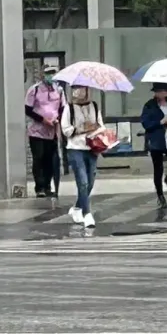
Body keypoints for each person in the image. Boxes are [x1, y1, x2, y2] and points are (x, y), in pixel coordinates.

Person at [60, 86, 104, 228]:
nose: (79, 92)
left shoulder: (94, 106)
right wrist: (80, 129)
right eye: (76, 89)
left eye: (82, 89)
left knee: (90, 182)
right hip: (75, 148)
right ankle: (87, 214)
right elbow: (65, 129)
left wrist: (95, 127)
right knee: (83, 182)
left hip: (92, 148)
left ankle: (77, 207)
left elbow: (101, 126)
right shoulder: (69, 108)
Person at [140, 83, 167, 209]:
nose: (160, 94)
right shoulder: (149, 105)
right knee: (158, 168)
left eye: (163, 91)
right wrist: (160, 122)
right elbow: (146, 123)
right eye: (157, 92)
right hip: (156, 141)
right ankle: (160, 196)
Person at [25, 66, 65, 198]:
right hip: (37, 131)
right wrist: (43, 120)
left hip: (52, 131)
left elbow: (62, 108)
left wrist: (57, 119)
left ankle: (48, 186)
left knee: (50, 160)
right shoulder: (34, 89)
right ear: (43, 74)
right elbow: (28, 109)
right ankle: (40, 187)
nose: (51, 75)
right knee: (39, 158)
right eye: (48, 73)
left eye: (53, 73)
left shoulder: (59, 90)